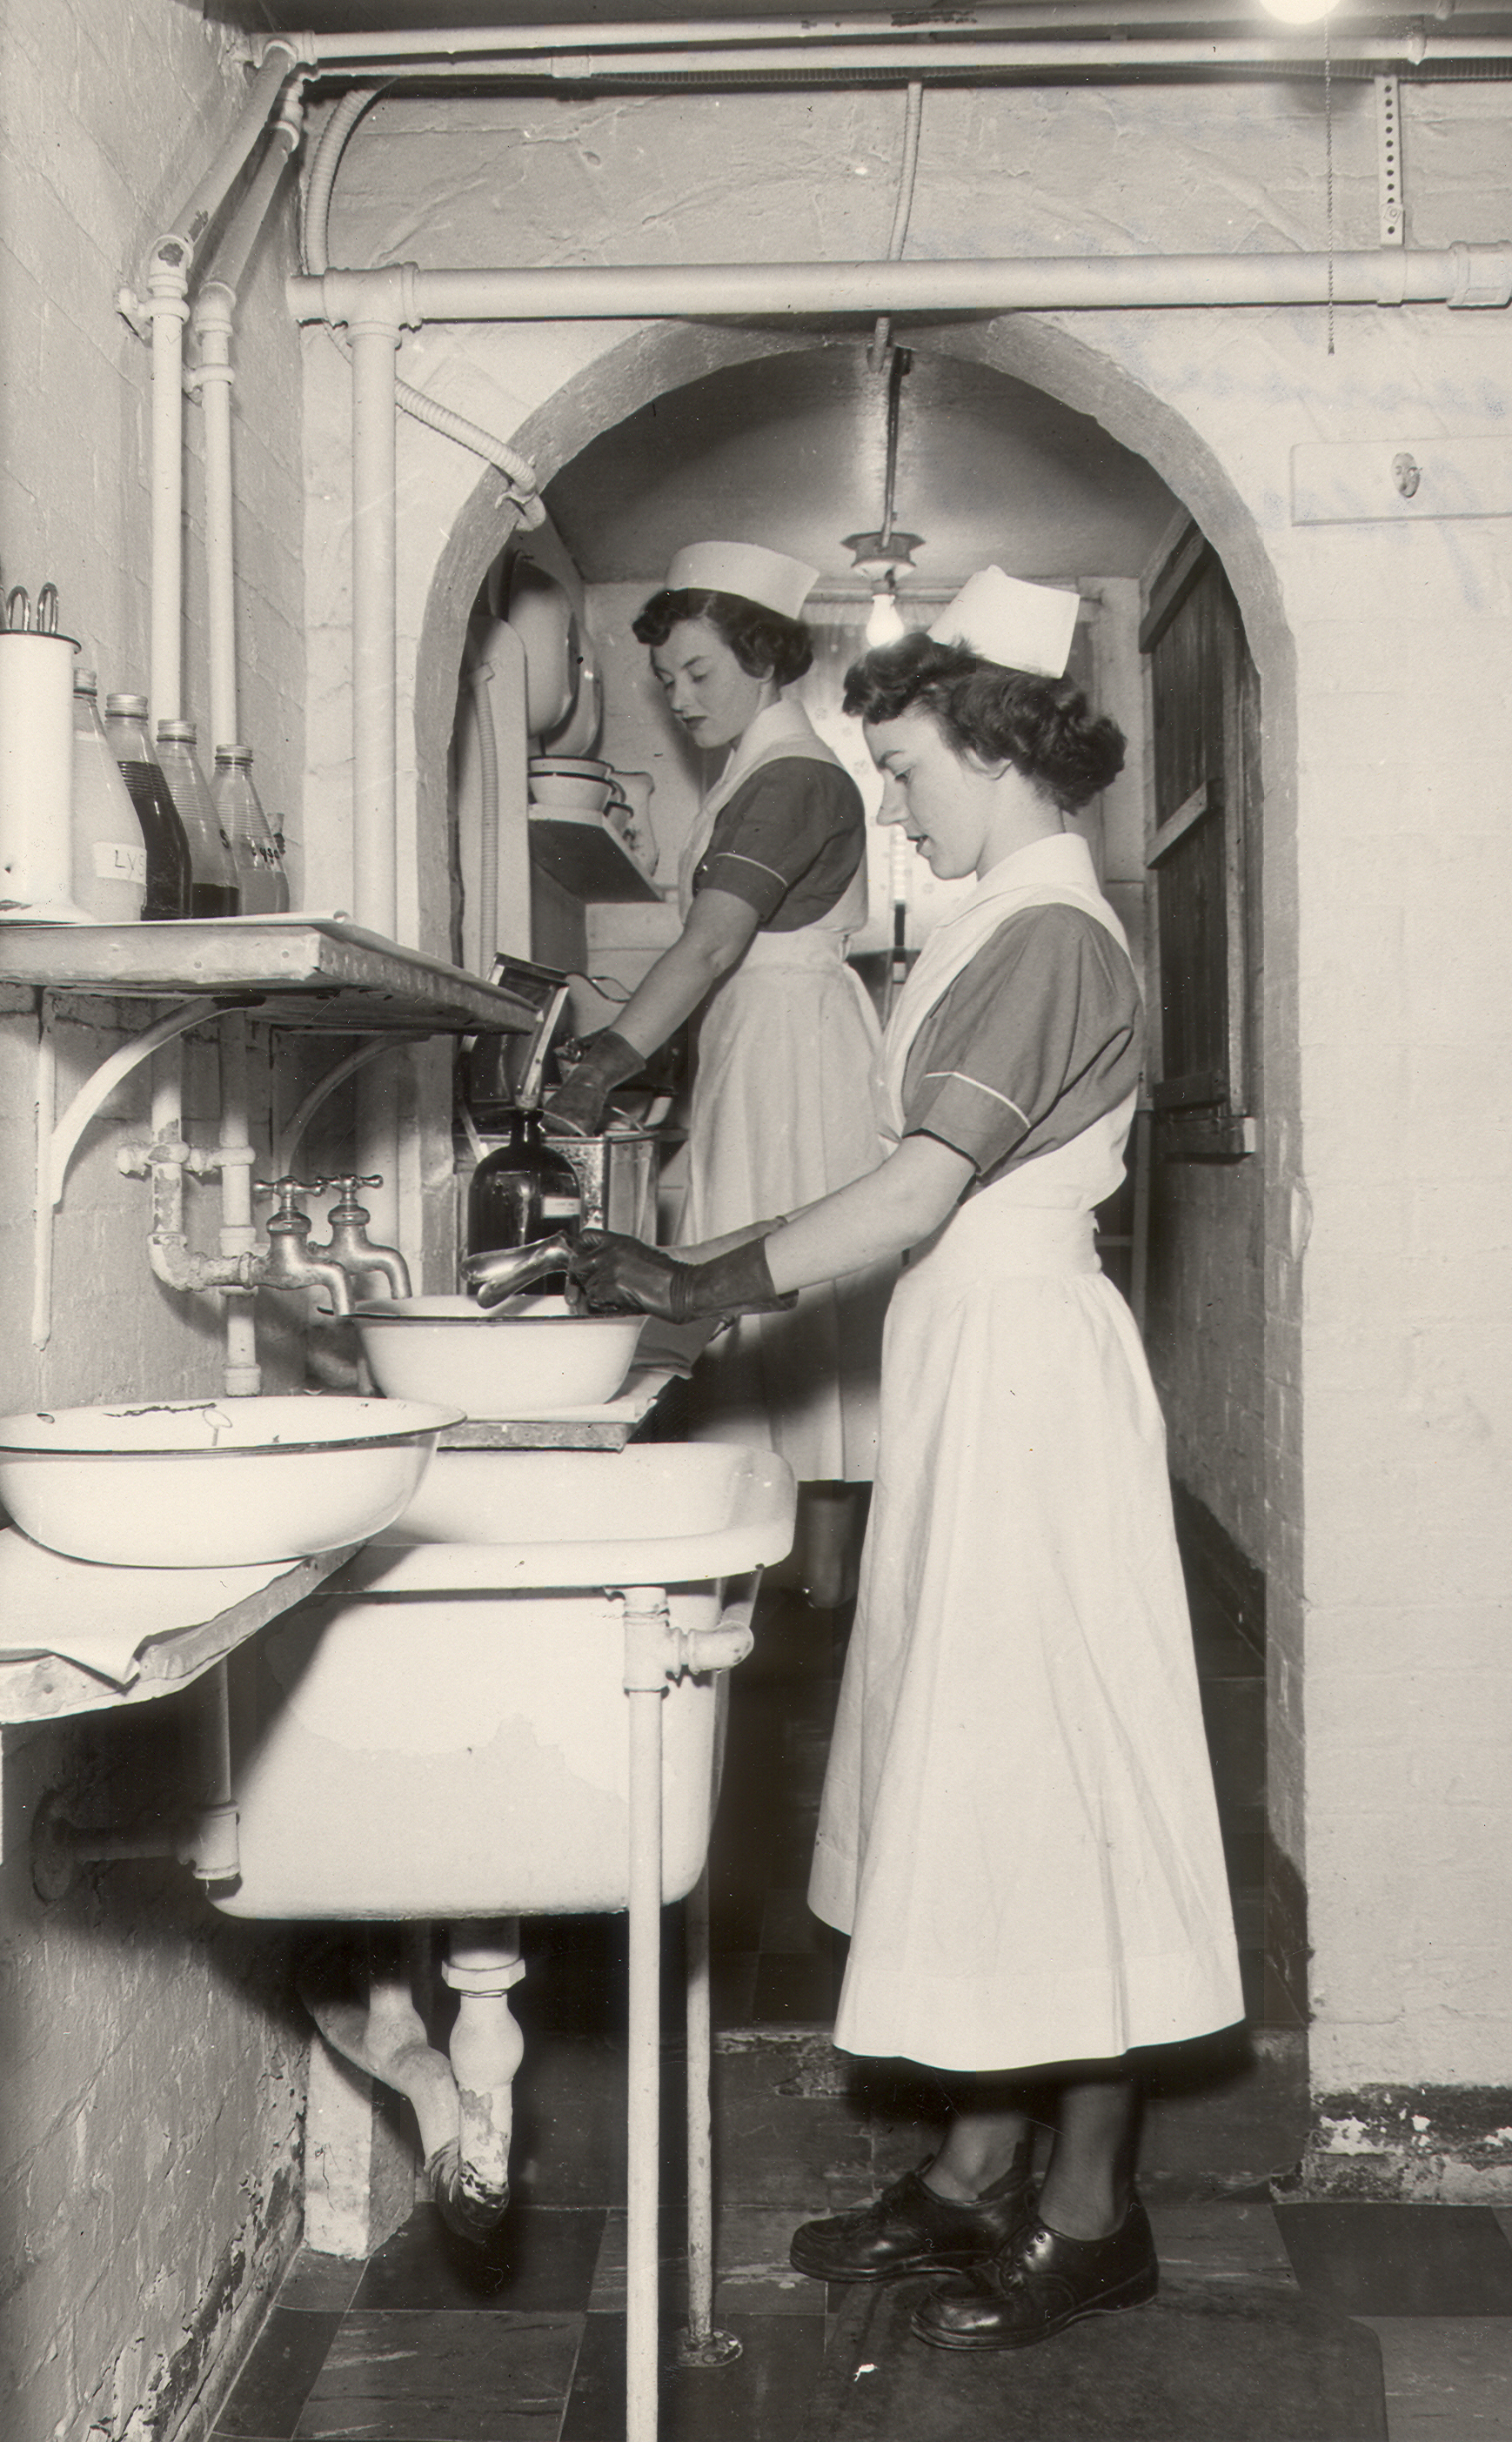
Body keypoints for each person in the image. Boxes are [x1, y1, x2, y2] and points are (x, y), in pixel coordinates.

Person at [569, 567, 1244, 2351]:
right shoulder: (992, 915)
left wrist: (704, 1277)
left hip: (1024, 1368)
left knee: (1057, 1773)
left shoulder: (1049, 931)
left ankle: (1091, 2207)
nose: (897, 806)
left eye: (914, 767)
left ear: (998, 744)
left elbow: (913, 1191)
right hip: (974, 1359)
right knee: (977, 1766)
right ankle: (971, 2162)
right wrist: (708, 1278)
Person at [546, 540, 887, 1606]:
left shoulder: (788, 775)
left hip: (791, 1044)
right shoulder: (761, 767)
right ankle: (784, 1578)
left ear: (764, 659)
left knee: (787, 1292)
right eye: (667, 680)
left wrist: (605, 1059)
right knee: (771, 1291)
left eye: (700, 673)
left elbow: (705, 945)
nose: (681, 697)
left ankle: (807, 1595)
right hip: (769, 1035)